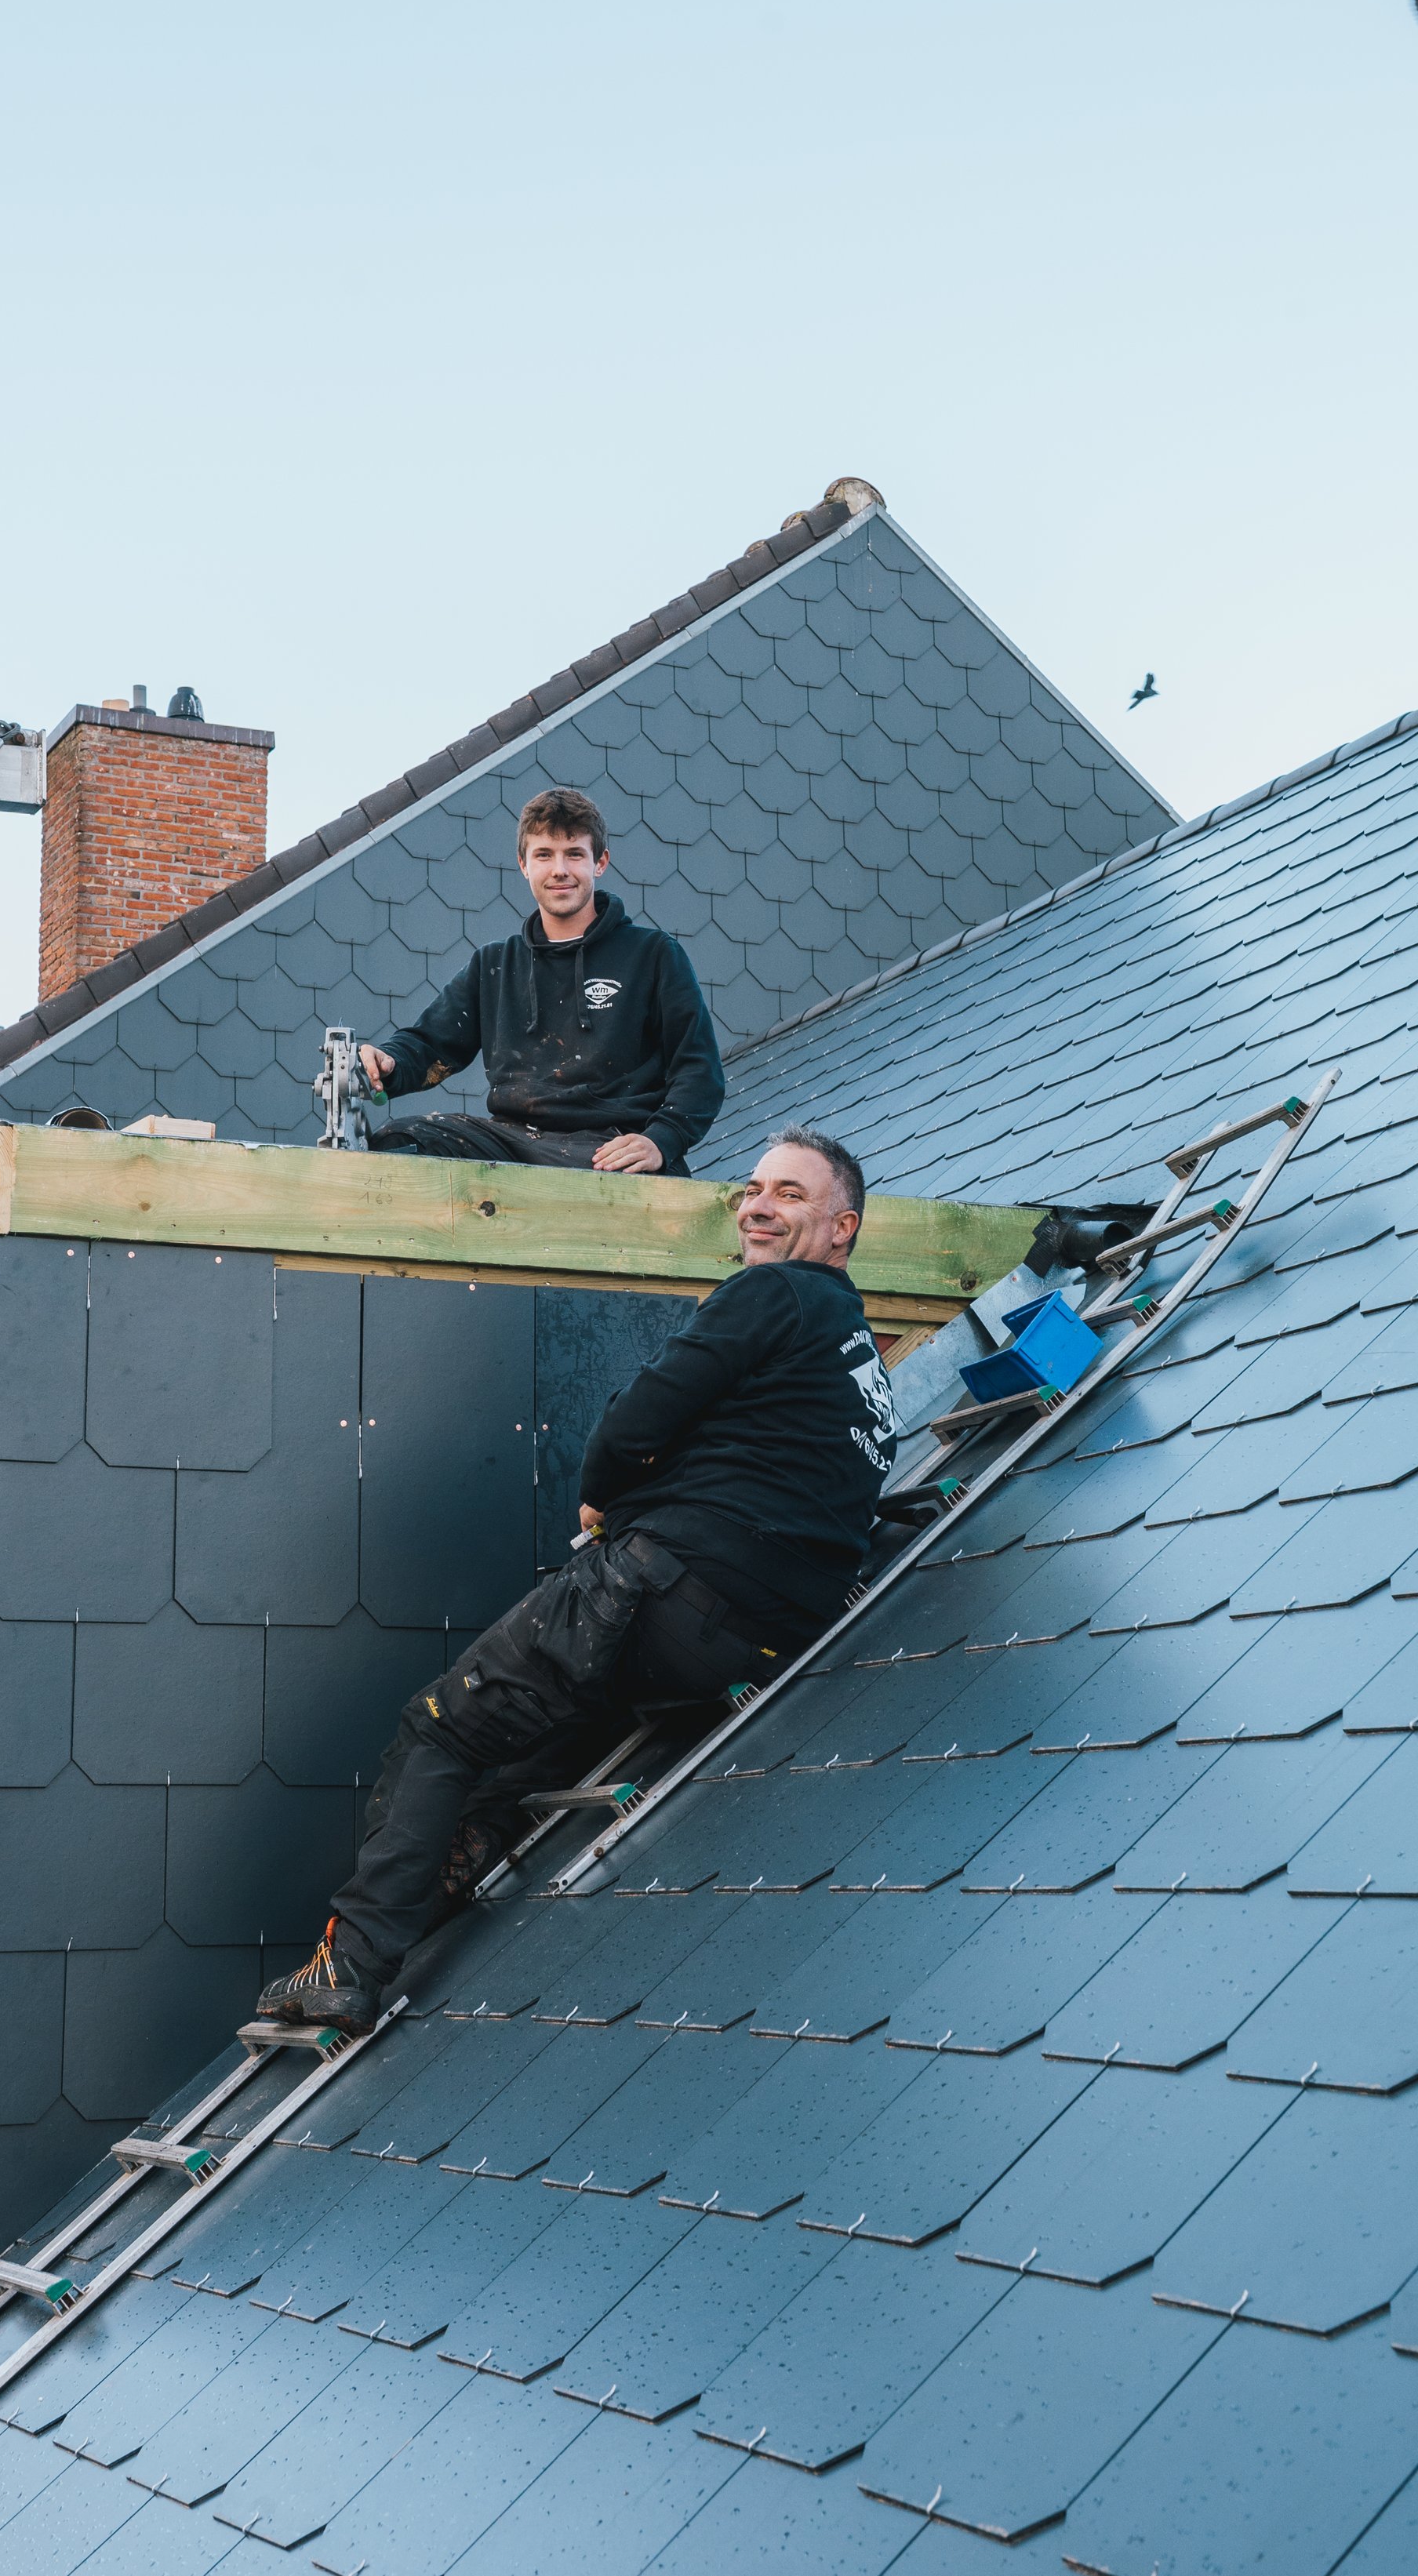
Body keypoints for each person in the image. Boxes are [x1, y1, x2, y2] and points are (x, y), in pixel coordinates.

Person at [256, 1126, 898, 2033]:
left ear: (843, 1228)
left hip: (661, 1587)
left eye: (790, 1194)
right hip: (752, 1641)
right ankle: (465, 1850)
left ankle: (348, 1965)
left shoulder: (775, 1293)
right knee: (546, 1725)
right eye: (750, 1189)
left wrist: (603, 1501)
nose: (757, 1205)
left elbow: (634, 1422)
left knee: (439, 1729)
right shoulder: (862, 1361)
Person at [358, 785, 723, 1177]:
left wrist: (660, 1141)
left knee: (626, 1178)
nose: (560, 870)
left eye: (574, 854)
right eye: (544, 855)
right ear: (523, 864)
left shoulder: (653, 954)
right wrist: (389, 1062)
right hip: (514, 1143)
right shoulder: (495, 965)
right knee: (401, 1140)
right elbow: (430, 1044)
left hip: (611, 1148)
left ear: (600, 862)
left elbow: (699, 1070)